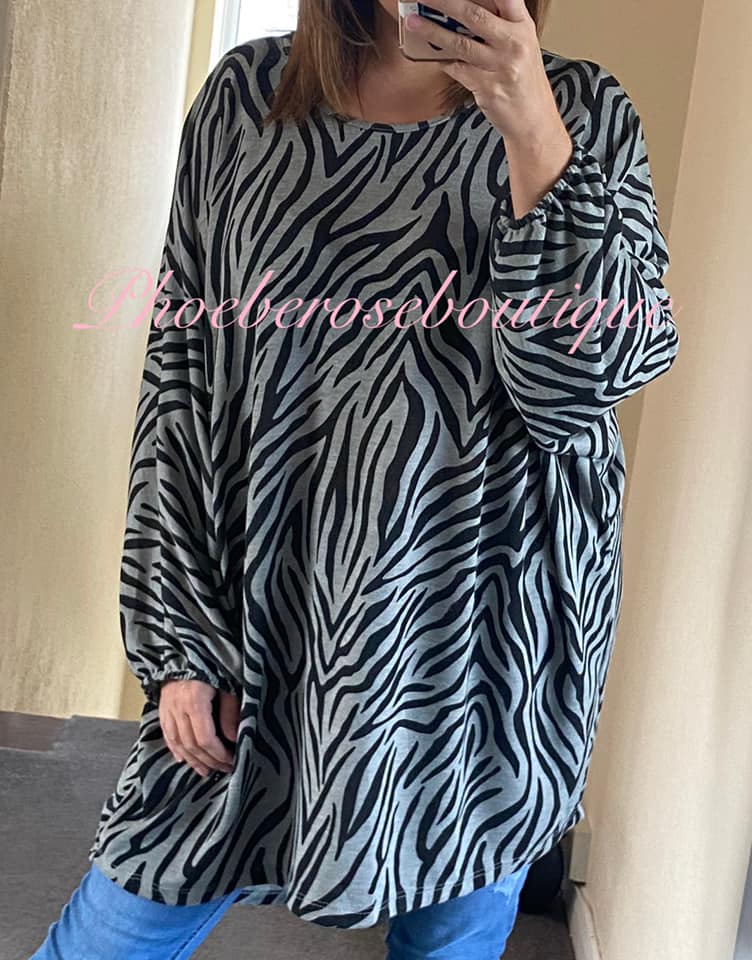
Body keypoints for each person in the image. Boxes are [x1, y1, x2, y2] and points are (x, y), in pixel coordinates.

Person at [30, 0, 680, 956]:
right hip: (269, 612)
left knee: (449, 932)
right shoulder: (247, 99)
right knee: (117, 925)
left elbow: (577, 388)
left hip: (482, 646)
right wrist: (180, 636)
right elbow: (182, 378)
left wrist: (533, 133)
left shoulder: (584, 111)